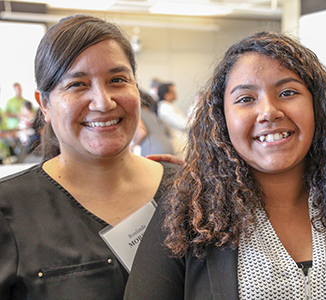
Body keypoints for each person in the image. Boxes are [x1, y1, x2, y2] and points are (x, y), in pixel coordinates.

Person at [124, 31, 326, 299]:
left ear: (317, 105)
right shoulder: (188, 212)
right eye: (246, 99)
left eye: (287, 93)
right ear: (222, 118)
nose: (268, 112)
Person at [0, 15, 179, 299]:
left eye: (117, 80)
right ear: (44, 104)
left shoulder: (188, 191)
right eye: (77, 85)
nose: (103, 102)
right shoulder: (10, 210)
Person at [133, 90, 174, 157]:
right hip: (168, 147)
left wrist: (132, 146)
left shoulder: (137, 113)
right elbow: (166, 131)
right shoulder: (152, 114)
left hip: (153, 151)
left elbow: (142, 133)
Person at [157, 83, 188, 154]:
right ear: (166, 95)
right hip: (179, 143)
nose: (175, 93)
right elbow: (184, 125)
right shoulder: (165, 108)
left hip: (181, 141)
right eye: (173, 92)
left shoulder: (168, 106)